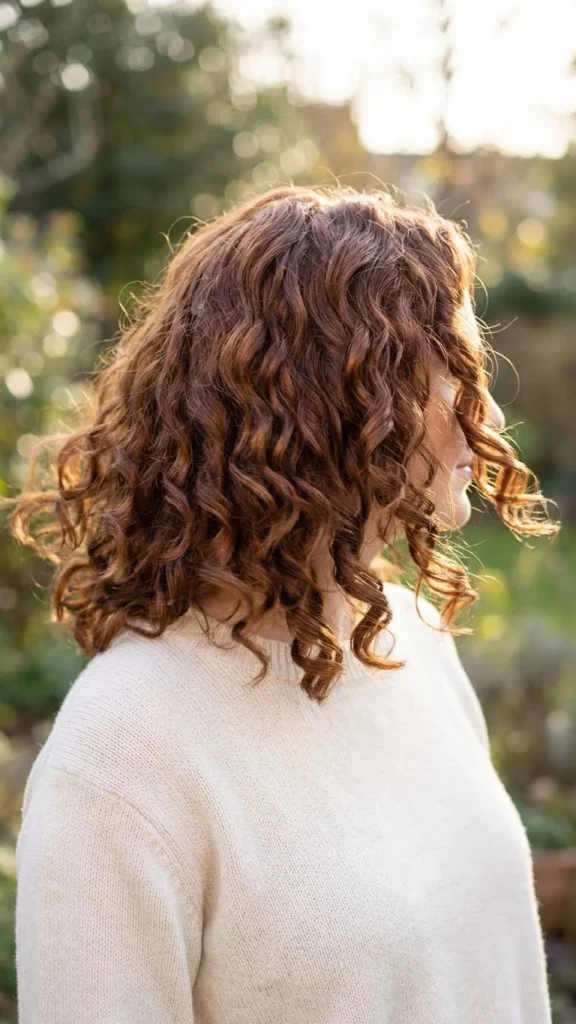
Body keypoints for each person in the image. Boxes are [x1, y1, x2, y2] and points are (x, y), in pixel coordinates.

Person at [8, 184, 560, 1023]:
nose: (479, 412)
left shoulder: (413, 640)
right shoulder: (122, 753)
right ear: (322, 407)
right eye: (445, 373)